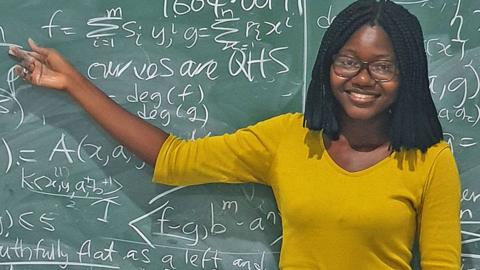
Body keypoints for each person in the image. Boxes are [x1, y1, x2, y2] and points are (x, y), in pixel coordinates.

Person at [9, 0, 460, 269]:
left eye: (383, 66)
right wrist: (74, 83)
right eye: (348, 61)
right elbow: (175, 160)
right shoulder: (288, 140)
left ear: (408, 75)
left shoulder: (430, 160)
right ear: (328, 66)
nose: (362, 78)